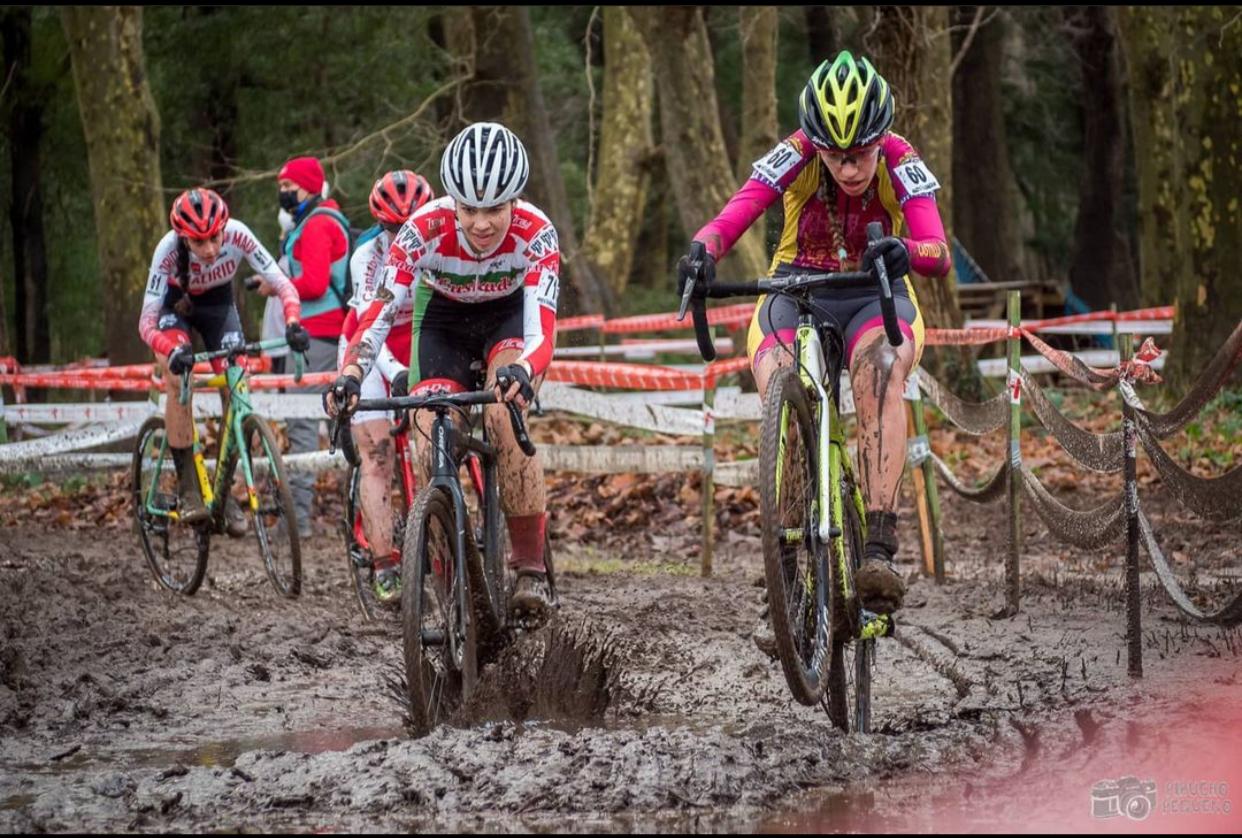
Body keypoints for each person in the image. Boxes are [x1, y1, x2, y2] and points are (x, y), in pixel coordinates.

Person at [677, 51, 952, 647]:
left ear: (881, 139)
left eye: (862, 153)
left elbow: (937, 248)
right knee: (782, 378)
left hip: (872, 293)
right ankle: (786, 573)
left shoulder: (902, 158)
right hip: (795, 287)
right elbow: (740, 207)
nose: (850, 167)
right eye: (836, 154)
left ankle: (878, 545)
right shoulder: (797, 151)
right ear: (817, 143)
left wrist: (907, 248)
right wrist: (703, 248)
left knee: (879, 370)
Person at [326, 122, 558, 613]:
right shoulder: (421, 230)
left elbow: (542, 333)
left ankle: (530, 570)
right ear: (451, 201)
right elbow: (378, 312)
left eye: (494, 208)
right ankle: (452, 581)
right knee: (428, 432)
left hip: (508, 320)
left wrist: (522, 372)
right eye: (468, 208)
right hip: (443, 323)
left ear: (514, 201)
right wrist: (350, 371)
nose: (480, 223)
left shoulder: (537, 233)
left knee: (503, 416)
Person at [140, 188, 309, 530]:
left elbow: (283, 284)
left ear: (224, 228)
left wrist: (292, 322)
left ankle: (224, 493)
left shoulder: (239, 235)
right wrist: (170, 349)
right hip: (175, 311)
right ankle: (188, 489)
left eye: (215, 238)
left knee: (239, 389)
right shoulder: (167, 250)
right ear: (184, 238)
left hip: (219, 308)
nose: (211, 249)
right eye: (199, 242)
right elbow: (146, 320)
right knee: (178, 380)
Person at [337, 169, 435, 603]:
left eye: (410, 227)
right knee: (377, 458)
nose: (403, 237)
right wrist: (395, 370)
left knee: (436, 441)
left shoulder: (442, 244)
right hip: (371, 348)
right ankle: (385, 565)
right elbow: (368, 328)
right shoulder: (367, 258)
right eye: (395, 229)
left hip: (418, 339)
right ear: (382, 226)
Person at [276, 156, 352, 539]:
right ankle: (351, 516)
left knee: (303, 424)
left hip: (317, 337)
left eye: (289, 188)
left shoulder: (319, 224)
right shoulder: (319, 220)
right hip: (325, 335)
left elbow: (317, 283)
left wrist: (279, 284)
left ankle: (298, 520)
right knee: (340, 424)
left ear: (308, 186)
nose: (284, 194)